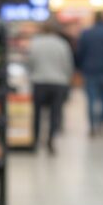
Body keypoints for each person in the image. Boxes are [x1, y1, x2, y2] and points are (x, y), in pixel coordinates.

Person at [27, 21, 75, 154]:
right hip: (58, 82)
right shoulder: (62, 44)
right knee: (55, 112)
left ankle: (36, 140)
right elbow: (68, 64)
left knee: (37, 113)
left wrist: (32, 74)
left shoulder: (36, 43)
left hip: (39, 81)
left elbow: (30, 61)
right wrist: (67, 79)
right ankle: (51, 140)